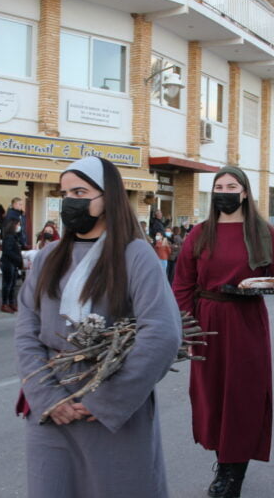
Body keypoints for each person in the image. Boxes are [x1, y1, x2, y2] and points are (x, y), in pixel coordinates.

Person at [15, 156, 181, 497]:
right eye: (64, 193)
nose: (70, 201)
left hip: (110, 407)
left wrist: (103, 401)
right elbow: (26, 332)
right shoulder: (48, 257)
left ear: (108, 197)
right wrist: (47, 397)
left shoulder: (136, 255)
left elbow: (161, 333)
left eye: (80, 191)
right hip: (53, 408)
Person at [173, 166, 274, 498]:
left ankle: (231, 474)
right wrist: (187, 330)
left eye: (231, 186)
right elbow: (182, 286)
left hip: (246, 322)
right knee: (212, 396)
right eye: (219, 186)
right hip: (207, 322)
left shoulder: (262, 232)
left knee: (243, 397)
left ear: (245, 192)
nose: (224, 191)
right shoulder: (200, 233)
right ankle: (224, 461)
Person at [1, 218, 24, 314]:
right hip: (8, 263)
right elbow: (8, 251)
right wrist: (18, 259)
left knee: (13, 285)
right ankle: (5, 303)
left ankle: (11, 303)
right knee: (8, 284)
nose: (19, 226)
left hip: (13, 264)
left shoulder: (14, 237)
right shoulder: (9, 237)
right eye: (18, 224)